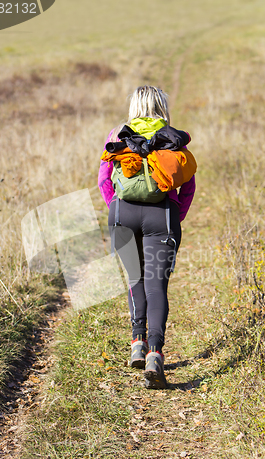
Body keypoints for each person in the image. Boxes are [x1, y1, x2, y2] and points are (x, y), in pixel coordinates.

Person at [98, 85, 195, 389]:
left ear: (134, 106)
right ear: (162, 106)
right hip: (161, 216)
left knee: (134, 280)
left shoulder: (118, 134)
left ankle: (137, 343)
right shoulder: (171, 137)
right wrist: (174, 217)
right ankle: (155, 353)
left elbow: (104, 180)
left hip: (121, 216)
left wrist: (116, 210)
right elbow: (188, 186)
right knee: (156, 286)